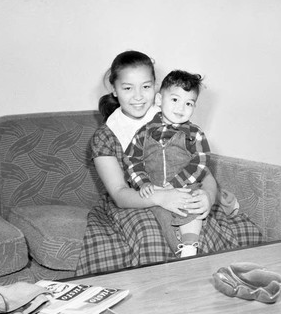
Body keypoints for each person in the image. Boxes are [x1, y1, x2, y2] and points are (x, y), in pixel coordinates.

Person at [75, 50, 263, 276]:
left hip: (181, 190)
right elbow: (119, 192)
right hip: (136, 200)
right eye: (127, 88)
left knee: (200, 224)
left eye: (145, 86)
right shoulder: (105, 136)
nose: (138, 96)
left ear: (155, 88)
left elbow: (204, 174)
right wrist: (162, 197)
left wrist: (208, 196)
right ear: (114, 89)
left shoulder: (174, 116)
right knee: (149, 233)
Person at [123, 70, 229, 258]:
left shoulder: (194, 134)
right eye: (175, 100)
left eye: (189, 103)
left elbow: (201, 161)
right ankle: (176, 245)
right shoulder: (143, 133)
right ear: (158, 99)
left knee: (191, 205)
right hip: (157, 189)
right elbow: (132, 160)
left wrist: (178, 183)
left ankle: (189, 245)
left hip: (185, 186)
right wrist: (143, 183)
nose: (181, 108)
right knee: (160, 213)